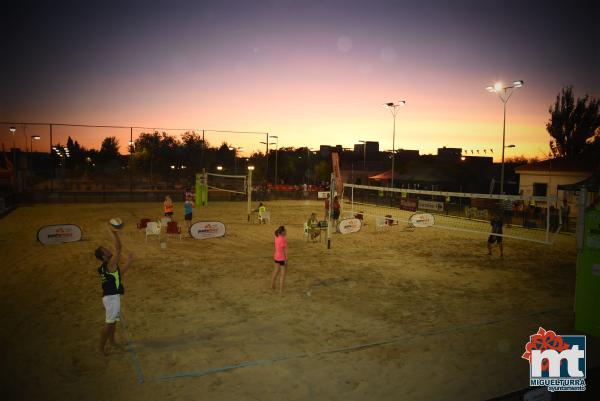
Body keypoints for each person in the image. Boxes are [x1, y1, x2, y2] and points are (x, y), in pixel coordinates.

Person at [95, 228, 134, 356]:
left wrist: (129, 262)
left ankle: (112, 341)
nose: (108, 249)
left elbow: (120, 274)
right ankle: (101, 348)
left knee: (113, 321)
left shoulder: (107, 267)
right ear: (104, 256)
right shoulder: (109, 264)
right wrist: (114, 234)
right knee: (109, 323)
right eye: (105, 250)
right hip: (111, 298)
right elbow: (119, 248)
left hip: (112, 297)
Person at [272, 226, 288, 294]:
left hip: (276, 256)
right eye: (285, 230)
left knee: (276, 271)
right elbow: (284, 251)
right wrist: (286, 260)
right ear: (283, 232)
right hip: (282, 258)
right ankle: (281, 290)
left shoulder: (276, 237)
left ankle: (272, 284)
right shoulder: (283, 239)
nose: (286, 231)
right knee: (282, 275)